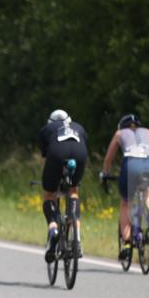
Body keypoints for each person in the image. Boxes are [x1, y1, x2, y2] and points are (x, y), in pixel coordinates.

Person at [100, 113, 149, 259]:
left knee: (125, 203)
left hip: (132, 164)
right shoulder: (147, 132)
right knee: (147, 189)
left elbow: (109, 158)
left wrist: (104, 174)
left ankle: (127, 244)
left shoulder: (119, 133)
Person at [37, 109, 88, 261]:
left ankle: (53, 227)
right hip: (80, 153)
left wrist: (51, 180)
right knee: (73, 190)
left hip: (57, 153)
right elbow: (85, 146)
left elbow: (46, 156)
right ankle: (76, 239)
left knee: (49, 194)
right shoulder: (79, 127)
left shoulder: (46, 129)